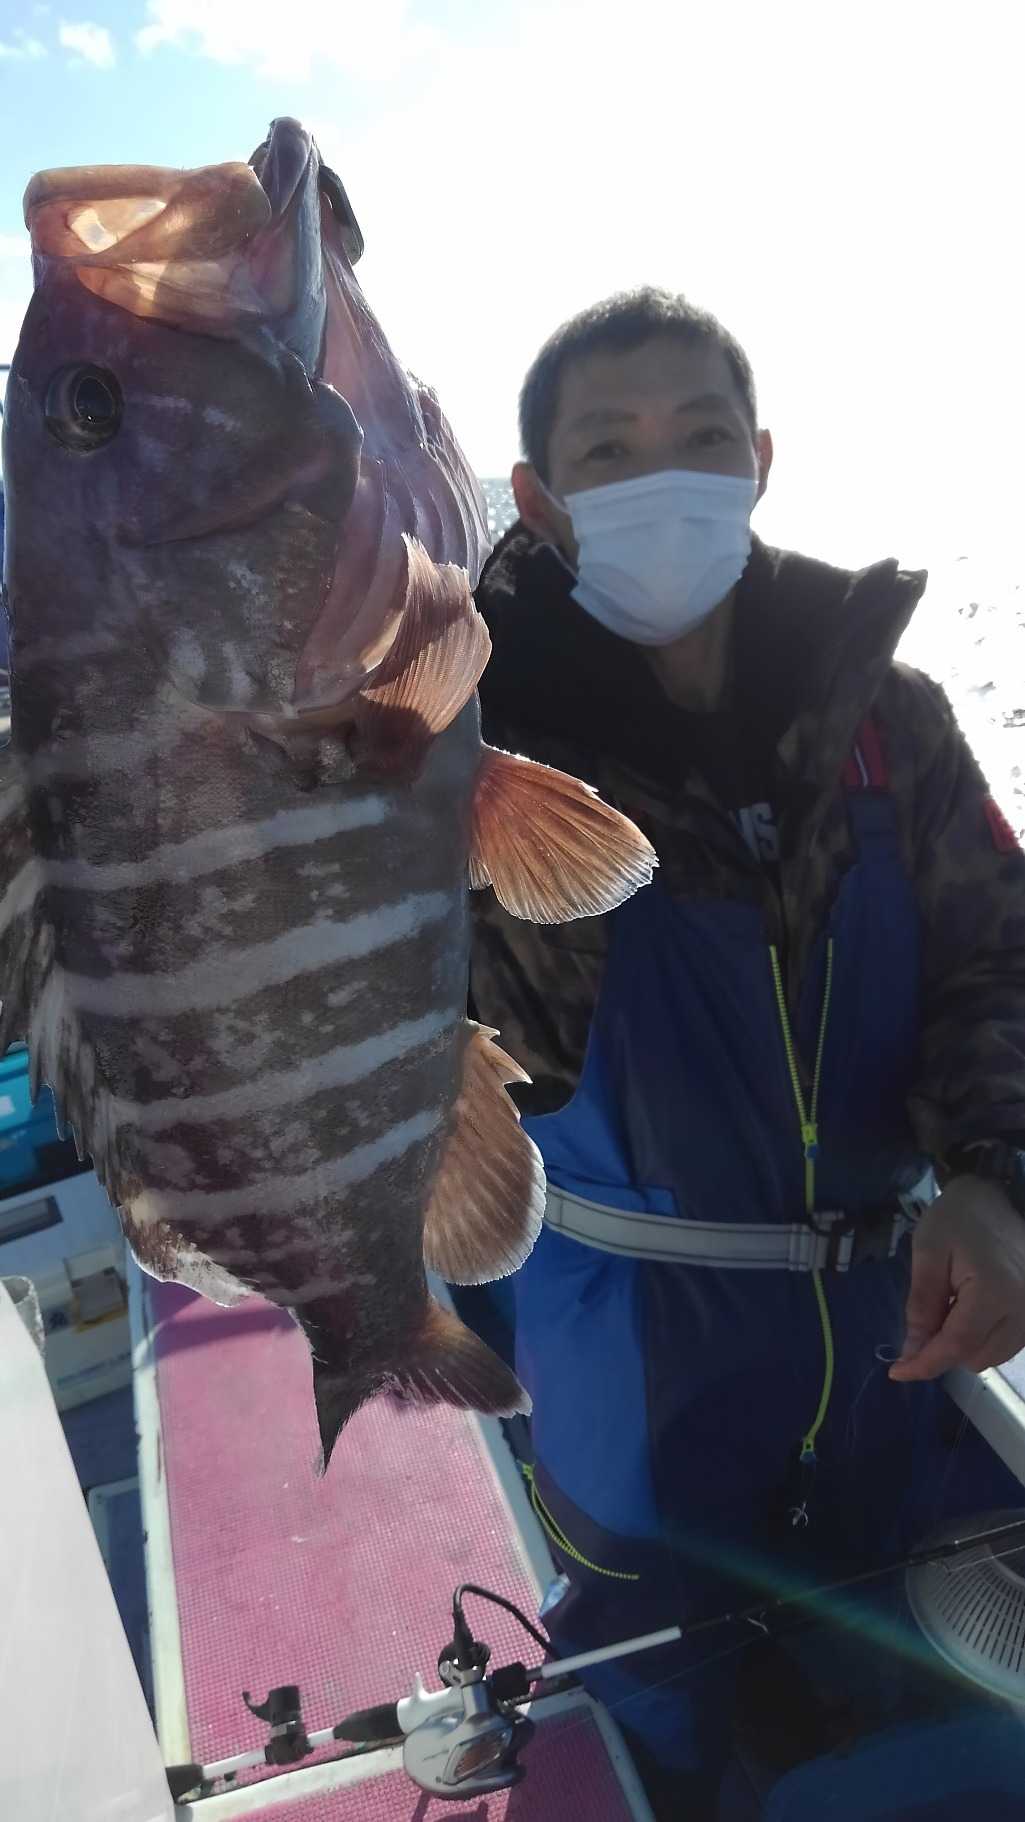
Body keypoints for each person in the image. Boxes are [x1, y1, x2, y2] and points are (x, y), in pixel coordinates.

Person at [462, 288, 1025, 1817]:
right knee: (668, 1721)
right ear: (536, 497)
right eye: (608, 448)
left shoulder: (888, 717)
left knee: (930, 1686)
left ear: (759, 458)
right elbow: (465, 1027)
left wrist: (992, 1176)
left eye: (700, 436)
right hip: (630, 1360)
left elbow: (996, 956)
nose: (662, 475)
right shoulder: (469, 745)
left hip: (899, 1329)